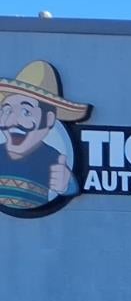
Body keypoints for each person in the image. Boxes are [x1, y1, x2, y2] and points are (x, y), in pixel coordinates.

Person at [0, 61, 91, 215]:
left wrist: (66, 185)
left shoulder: (52, 159)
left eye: (25, 112)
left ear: (49, 119)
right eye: (7, 111)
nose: (12, 121)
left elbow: (69, 186)